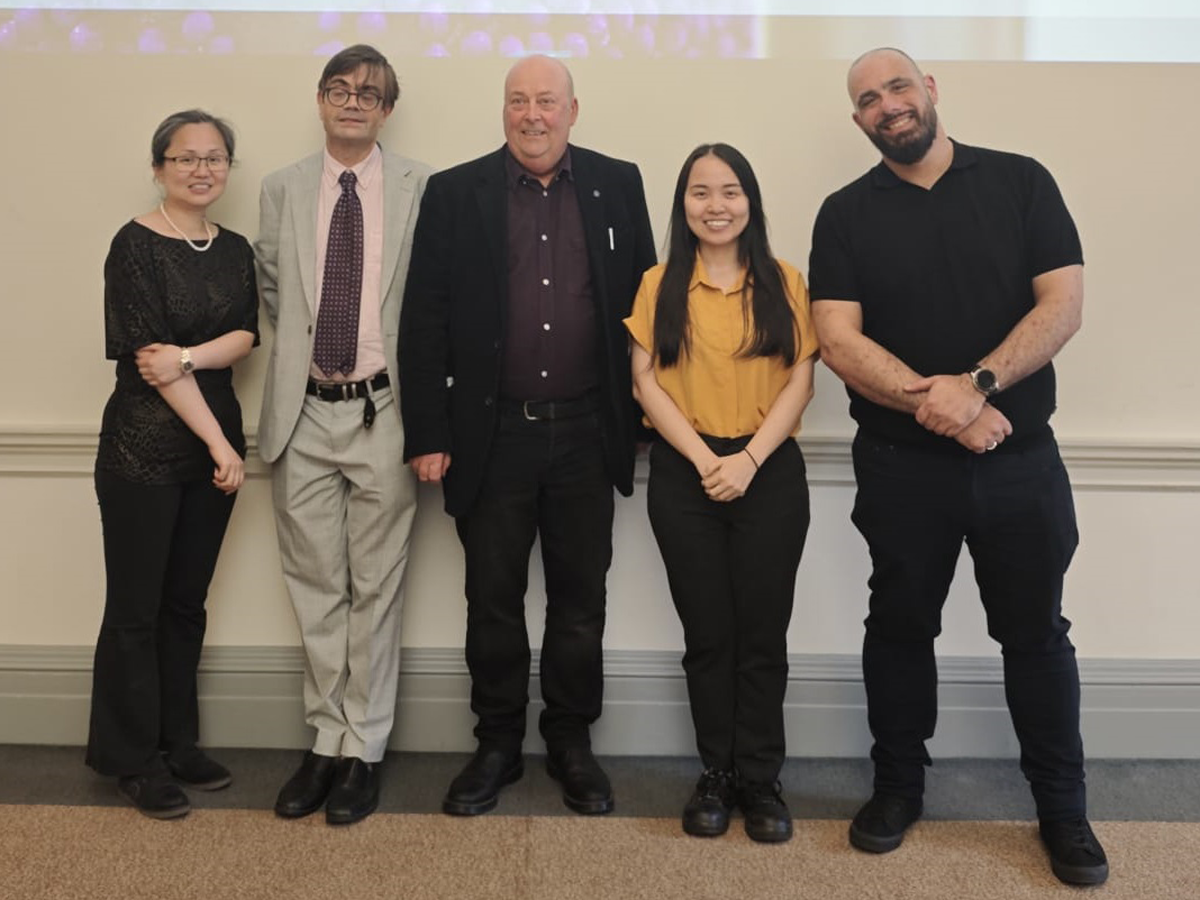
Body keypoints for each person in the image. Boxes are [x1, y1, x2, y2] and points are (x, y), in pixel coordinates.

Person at [808, 47, 1107, 885]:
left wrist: (974, 390)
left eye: (899, 87)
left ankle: (1063, 811)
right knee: (899, 629)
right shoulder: (844, 213)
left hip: (1021, 461)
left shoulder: (1020, 181)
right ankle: (898, 790)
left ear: (931, 91)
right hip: (901, 467)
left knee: (1036, 635)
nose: (888, 106)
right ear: (858, 120)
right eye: (869, 100)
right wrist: (938, 409)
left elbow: (1064, 303)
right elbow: (836, 337)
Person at [399, 55, 656, 817]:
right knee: (493, 601)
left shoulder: (619, 182)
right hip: (492, 436)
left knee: (582, 602)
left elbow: (646, 306)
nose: (532, 115)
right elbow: (424, 318)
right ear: (502, 111)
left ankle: (571, 743)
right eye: (518, 101)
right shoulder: (455, 192)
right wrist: (428, 431)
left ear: (574, 110)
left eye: (547, 101)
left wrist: (641, 415)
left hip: (586, 432)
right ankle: (498, 745)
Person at [254, 44, 430, 826]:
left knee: (377, 589)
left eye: (369, 93)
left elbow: (431, 301)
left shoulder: (422, 187)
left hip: (384, 413)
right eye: (339, 90)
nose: (353, 102)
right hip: (303, 413)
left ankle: (364, 746)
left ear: (387, 109)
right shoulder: (281, 188)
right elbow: (271, 290)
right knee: (316, 587)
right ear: (320, 100)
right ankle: (323, 740)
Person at [625, 144, 818, 843]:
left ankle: (762, 779)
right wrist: (710, 459)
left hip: (768, 471)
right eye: (701, 193)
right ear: (683, 206)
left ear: (751, 202)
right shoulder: (658, 284)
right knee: (708, 635)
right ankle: (717, 774)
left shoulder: (785, 280)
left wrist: (748, 460)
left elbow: (801, 378)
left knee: (761, 636)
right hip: (686, 471)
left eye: (730, 191)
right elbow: (645, 381)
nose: (716, 206)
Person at [88, 109, 258, 819]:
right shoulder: (133, 244)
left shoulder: (235, 247)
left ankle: (177, 742)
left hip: (211, 450)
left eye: (215, 158)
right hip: (145, 447)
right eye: (185, 158)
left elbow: (245, 336)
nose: (201, 169)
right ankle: (131, 759)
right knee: (137, 609)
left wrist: (191, 354)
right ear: (159, 166)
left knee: (186, 605)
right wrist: (220, 442)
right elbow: (151, 366)